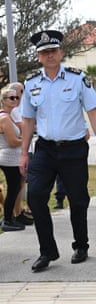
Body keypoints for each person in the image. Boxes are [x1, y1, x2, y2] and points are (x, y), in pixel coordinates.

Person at [19, 30, 96, 272]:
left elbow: (92, 112)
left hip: (73, 149)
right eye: (44, 52)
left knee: (78, 200)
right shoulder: (31, 83)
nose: (49, 56)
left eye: (53, 51)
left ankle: (81, 244)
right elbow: (27, 120)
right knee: (36, 196)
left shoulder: (77, 79)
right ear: (38, 56)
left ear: (61, 52)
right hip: (45, 149)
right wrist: (24, 153)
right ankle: (47, 250)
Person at [8, 82, 34, 226]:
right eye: (21, 92)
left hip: (25, 148)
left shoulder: (20, 108)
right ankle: (15, 214)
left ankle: (17, 213)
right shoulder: (14, 110)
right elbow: (24, 127)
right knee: (17, 185)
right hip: (19, 151)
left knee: (21, 184)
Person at [0, 89, 25, 231]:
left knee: (14, 188)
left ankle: (8, 217)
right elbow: (12, 141)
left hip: (10, 157)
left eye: (17, 97)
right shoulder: (4, 118)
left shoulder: (8, 117)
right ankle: (8, 220)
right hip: (9, 159)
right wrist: (25, 139)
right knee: (14, 188)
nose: (15, 100)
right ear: (3, 100)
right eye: (11, 98)